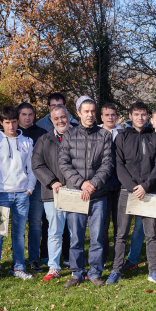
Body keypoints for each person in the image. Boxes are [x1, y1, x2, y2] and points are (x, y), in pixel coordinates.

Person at [107, 101, 156, 285]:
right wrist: (133, 186)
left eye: (143, 114)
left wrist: (146, 186)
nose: (140, 118)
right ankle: (116, 270)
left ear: (148, 117)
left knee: (151, 234)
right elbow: (118, 165)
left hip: (149, 192)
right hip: (127, 191)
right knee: (121, 234)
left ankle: (153, 271)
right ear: (130, 116)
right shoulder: (121, 137)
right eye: (136, 114)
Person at [57, 98, 113, 287]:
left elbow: (108, 164)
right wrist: (81, 183)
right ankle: (77, 273)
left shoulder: (104, 135)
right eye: (86, 112)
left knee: (97, 237)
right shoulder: (69, 136)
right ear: (78, 113)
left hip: (98, 195)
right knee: (76, 237)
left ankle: (95, 272)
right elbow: (64, 163)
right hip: (76, 194)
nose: (90, 115)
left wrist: (93, 184)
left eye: (92, 111)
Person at [0, 106, 36, 281]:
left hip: (22, 195)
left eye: (14, 122)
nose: (11, 126)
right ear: (1, 123)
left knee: (19, 234)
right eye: (7, 123)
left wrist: (30, 188)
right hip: (1, 195)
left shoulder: (27, 141)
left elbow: (32, 167)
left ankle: (19, 268)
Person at [125, 107, 156, 271]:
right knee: (140, 226)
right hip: (147, 189)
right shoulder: (143, 137)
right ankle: (132, 259)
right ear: (151, 120)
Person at [32, 105, 73, 281]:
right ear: (51, 120)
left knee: (75, 232)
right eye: (56, 119)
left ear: (69, 117)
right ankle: (54, 267)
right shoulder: (44, 140)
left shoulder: (79, 136)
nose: (60, 121)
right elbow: (37, 165)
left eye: (63, 117)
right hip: (53, 192)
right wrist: (52, 182)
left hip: (74, 191)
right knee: (54, 231)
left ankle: (76, 267)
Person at [17, 102, 47, 270]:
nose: (27, 117)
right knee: (18, 224)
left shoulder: (42, 134)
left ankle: (33, 259)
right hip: (17, 186)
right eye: (24, 114)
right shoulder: (14, 134)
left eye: (30, 114)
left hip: (37, 186)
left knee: (35, 224)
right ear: (18, 116)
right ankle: (17, 258)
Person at [99, 102, 125, 265]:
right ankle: (101, 255)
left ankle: (118, 256)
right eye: (107, 115)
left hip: (120, 184)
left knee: (119, 222)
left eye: (113, 114)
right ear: (101, 117)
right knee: (102, 222)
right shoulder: (96, 133)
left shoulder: (123, 133)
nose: (110, 117)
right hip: (101, 184)